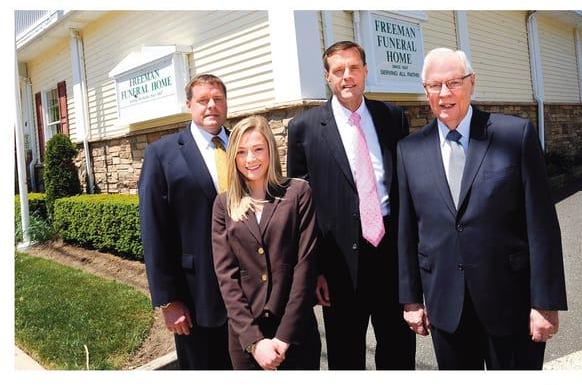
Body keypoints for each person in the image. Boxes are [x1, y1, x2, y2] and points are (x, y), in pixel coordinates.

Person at [397, 47, 568, 370]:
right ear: (425, 91)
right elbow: (408, 231)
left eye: (453, 82)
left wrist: (545, 303)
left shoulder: (514, 135)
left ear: (472, 82)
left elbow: (542, 224)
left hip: (511, 305)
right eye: (434, 85)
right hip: (446, 308)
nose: (444, 93)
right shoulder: (409, 150)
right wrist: (410, 299)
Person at [287, 41, 415, 370]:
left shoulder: (393, 118)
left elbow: (407, 189)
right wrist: (315, 270)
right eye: (339, 70)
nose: (347, 76)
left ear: (366, 72)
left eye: (354, 68)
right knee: (345, 355)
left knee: (399, 349)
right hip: (339, 263)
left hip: (390, 255)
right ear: (328, 77)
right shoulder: (303, 129)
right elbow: (301, 210)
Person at [211, 115, 321, 370]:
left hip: (295, 332)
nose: (250, 159)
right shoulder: (223, 205)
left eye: (258, 149)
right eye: (241, 152)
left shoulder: (298, 193)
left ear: (270, 149)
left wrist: (283, 338)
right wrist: (253, 341)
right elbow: (226, 277)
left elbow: (304, 268)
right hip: (246, 338)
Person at [139, 73, 232, 369]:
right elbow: (154, 229)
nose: (211, 106)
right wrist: (168, 301)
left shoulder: (243, 145)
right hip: (196, 295)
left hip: (250, 292)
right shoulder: (162, 153)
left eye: (217, 99)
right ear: (189, 104)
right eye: (203, 100)